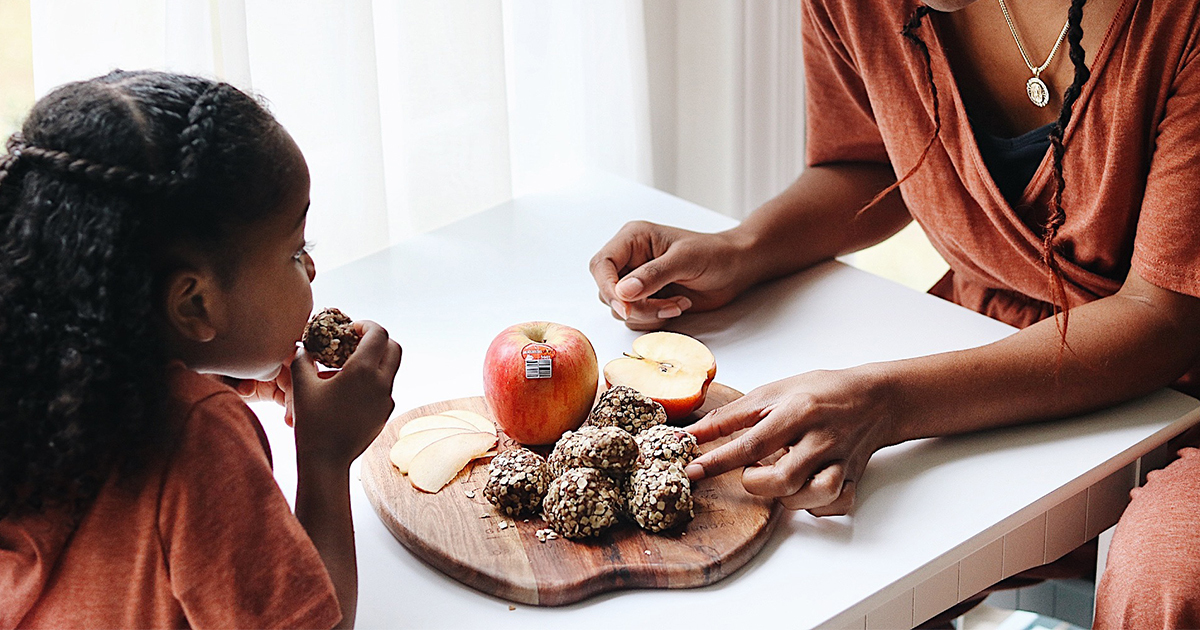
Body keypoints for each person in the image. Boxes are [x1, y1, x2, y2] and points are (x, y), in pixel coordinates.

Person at [590, 0, 1200, 626]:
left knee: (1166, 570)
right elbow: (870, 158)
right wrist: (744, 250)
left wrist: (889, 404)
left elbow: (1165, 321)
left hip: (1169, 369)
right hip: (987, 340)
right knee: (819, 552)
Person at [0, 70, 402, 628]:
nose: (310, 267)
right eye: (295, 249)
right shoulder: (200, 441)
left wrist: (215, 376)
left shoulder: (35, 371)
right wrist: (327, 456)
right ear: (193, 305)